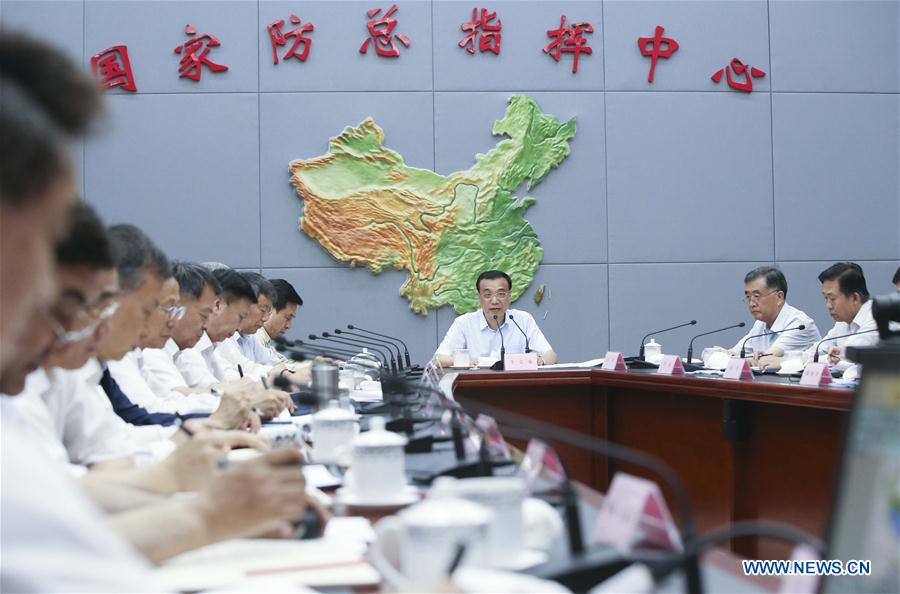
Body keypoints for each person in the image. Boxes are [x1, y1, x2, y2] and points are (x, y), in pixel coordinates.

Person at [434, 270, 557, 367]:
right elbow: (438, 359)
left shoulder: (523, 320)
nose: (494, 301)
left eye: (501, 294)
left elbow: (551, 355)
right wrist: (468, 361)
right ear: (479, 297)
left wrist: (541, 361)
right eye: (487, 295)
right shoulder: (464, 323)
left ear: (509, 295)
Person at [727, 266, 821, 370]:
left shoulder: (799, 324)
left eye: (757, 296)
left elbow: (765, 360)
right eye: (748, 297)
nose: (751, 303)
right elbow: (732, 354)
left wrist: (744, 359)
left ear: (779, 297)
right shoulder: (760, 324)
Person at [805, 263, 879, 373]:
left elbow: (850, 354)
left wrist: (813, 361)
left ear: (855, 298)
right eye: (826, 298)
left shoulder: (876, 316)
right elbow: (817, 350)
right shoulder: (842, 322)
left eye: (832, 298)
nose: (828, 305)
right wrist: (804, 358)